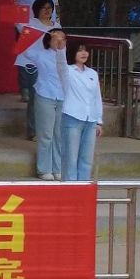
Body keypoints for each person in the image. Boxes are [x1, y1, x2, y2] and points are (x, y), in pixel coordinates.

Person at [20, 27, 68, 179]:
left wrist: (61, 50)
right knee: (46, 134)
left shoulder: (67, 56)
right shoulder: (40, 54)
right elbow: (24, 49)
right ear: (49, 39)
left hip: (63, 98)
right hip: (45, 96)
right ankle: (44, 169)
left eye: (62, 38)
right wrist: (29, 31)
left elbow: (64, 69)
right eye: (56, 38)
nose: (59, 41)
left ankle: (58, 168)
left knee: (59, 134)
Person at [14, 0, 60, 142]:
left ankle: (48, 130)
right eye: (43, 8)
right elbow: (17, 22)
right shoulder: (31, 23)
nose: (47, 10)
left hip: (51, 67)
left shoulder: (57, 26)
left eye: (49, 8)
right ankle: (33, 131)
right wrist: (16, 8)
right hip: (33, 65)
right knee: (35, 99)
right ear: (37, 10)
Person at [56, 41, 103, 181]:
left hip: (90, 120)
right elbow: (60, 64)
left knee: (87, 158)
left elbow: (97, 97)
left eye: (85, 50)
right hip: (72, 117)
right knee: (70, 158)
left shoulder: (92, 73)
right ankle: (70, 189)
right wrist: (60, 48)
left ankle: (83, 187)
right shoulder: (68, 71)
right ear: (73, 53)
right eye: (80, 50)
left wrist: (99, 121)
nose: (84, 53)